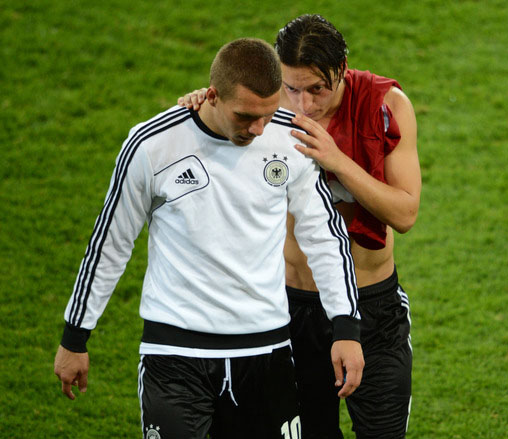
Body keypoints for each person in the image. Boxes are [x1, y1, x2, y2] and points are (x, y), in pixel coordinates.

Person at [54, 37, 364, 439]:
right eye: (245, 116)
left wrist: (346, 326)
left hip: (265, 353)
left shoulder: (291, 140)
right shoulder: (152, 145)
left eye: (268, 115)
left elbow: (325, 237)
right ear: (213, 96)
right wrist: (75, 335)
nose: (258, 129)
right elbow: (110, 243)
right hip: (176, 355)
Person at [179, 14, 420, 439]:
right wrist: (204, 107)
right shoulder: (262, 109)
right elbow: (203, 145)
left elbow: (404, 214)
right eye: (291, 88)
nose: (303, 104)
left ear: (342, 68)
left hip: (371, 307)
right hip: (288, 308)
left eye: (317, 89)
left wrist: (336, 160)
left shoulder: (387, 105)